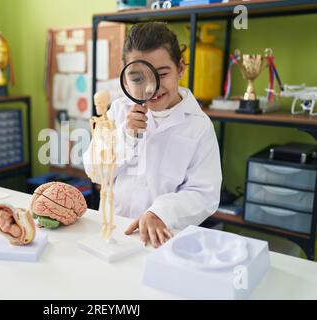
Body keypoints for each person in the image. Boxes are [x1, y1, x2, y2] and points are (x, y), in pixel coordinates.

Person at [83, 22, 222, 248]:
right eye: (138, 79)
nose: (150, 88)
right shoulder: (118, 111)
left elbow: (204, 193)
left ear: (180, 68)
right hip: (115, 234)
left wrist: (160, 212)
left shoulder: (199, 126)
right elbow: (95, 171)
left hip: (164, 238)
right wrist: (125, 137)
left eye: (161, 74)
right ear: (125, 78)